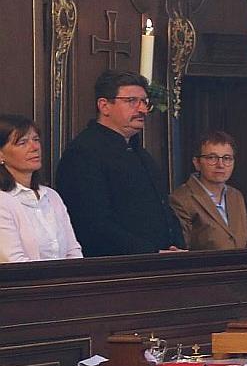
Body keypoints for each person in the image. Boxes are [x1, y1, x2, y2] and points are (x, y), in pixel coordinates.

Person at [55, 71, 184, 256]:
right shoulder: (83, 153)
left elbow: (163, 208)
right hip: (118, 267)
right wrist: (150, 252)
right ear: (104, 106)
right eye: (131, 101)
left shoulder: (140, 152)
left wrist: (175, 245)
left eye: (144, 102)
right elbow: (92, 222)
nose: (142, 109)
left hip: (159, 262)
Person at [0, 115, 83, 263]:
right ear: (1, 154)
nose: (34, 147)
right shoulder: (3, 201)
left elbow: (73, 250)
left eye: (36, 140)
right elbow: (12, 261)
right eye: (22, 142)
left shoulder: (52, 196)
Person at [168, 131, 247, 251]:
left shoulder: (236, 196)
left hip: (241, 268)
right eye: (212, 158)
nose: (220, 165)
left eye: (227, 158)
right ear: (197, 163)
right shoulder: (181, 199)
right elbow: (182, 249)